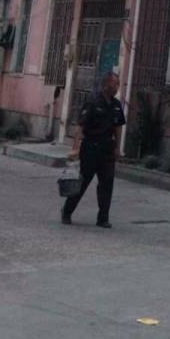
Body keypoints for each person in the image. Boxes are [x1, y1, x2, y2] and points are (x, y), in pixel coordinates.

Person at [62, 70, 126, 229]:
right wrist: (75, 149)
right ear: (106, 85)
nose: (117, 87)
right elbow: (80, 126)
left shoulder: (116, 105)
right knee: (82, 183)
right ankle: (67, 211)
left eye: (118, 84)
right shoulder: (93, 102)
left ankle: (103, 218)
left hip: (107, 150)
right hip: (90, 148)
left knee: (107, 184)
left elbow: (118, 128)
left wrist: (117, 148)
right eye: (115, 84)